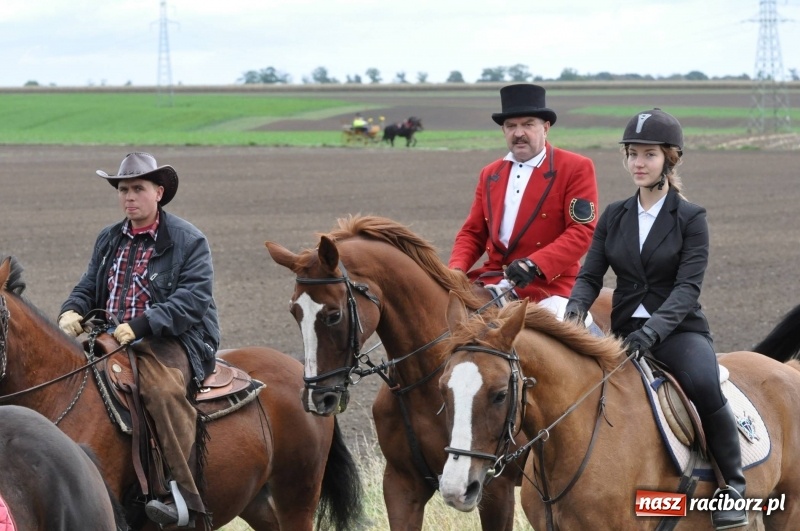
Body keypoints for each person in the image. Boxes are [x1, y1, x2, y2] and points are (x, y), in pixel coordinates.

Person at [564, 109, 747, 529]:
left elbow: (687, 290)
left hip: (678, 332)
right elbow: (590, 275)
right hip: (624, 332)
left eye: (648, 154)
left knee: (703, 382)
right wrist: (574, 311)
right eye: (632, 154)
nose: (638, 163)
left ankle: (732, 486)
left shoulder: (691, 219)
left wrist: (652, 332)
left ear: (670, 159)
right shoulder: (613, 215)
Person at [58, 152, 219, 528]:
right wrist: (72, 308)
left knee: (161, 392)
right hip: (114, 337)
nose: (129, 196)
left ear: (158, 192)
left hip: (177, 339)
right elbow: (89, 285)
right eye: (123, 189)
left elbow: (193, 299)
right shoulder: (110, 238)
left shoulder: (188, 240)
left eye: (138, 189)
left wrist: (145, 324)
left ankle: (182, 497)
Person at [449, 83, 599, 324]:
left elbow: (581, 232)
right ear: (504, 131)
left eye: (528, 124)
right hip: (493, 280)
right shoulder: (490, 173)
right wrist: (455, 269)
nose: (519, 133)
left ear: (545, 128)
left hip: (549, 286)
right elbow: (473, 232)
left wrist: (534, 264)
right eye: (511, 126)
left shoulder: (575, 167)